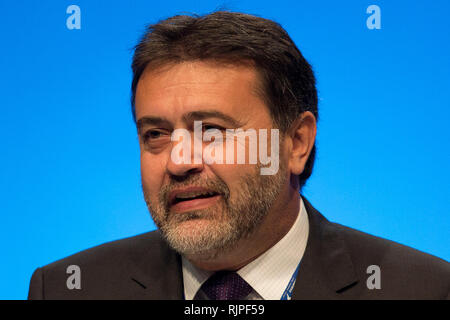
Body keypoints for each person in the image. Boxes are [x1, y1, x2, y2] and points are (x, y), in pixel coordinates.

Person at [28, 11, 449, 300]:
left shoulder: (424, 289)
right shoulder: (69, 289)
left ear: (296, 143)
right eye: (155, 134)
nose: (178, 162)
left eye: (211, 131)